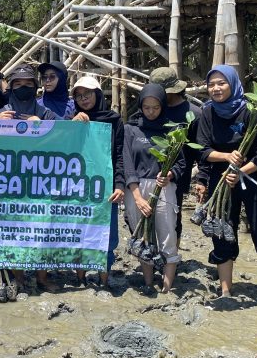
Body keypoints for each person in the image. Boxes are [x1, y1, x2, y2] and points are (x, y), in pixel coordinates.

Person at [196, 65, 257, 302]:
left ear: (233, 84)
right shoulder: (207, 113)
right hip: (221, 180)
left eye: (221, 83)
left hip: (254, 177)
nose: (216, 88)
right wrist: (226, 158)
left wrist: (240, 172)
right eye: (211, 84)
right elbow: (203, 150)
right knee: (221, 234)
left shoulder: (251, 111)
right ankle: (225, 292)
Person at [0, 64, 57, 292]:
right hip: (9, 182)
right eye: (18, 84)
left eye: (28, 84)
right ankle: (18, 277)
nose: (23, 87)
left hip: (41, 182)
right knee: (13, 230)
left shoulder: (45, 113)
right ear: (11, 87)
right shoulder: (2, 112)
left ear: (35, 87)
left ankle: (42, 277)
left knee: (42, 229)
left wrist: (42, 127)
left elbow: (67, 133)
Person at [123, 84, 184, 295]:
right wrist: (137, 196)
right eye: (146, 107)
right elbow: (126, 163)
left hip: (164, 187)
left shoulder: (172, 130)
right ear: (140, 106)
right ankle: (148, 283)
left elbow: (181, 163)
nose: (151, 112)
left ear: (163, 106)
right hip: (136, 188)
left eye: (156, 108)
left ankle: (167, 288)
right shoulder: (130, 129)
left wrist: (170, 175)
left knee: (168, 234)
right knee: (142, 236)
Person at [70, 76, 124, 289]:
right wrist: (71, 126)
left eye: (88, 94)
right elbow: (62, 148)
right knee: (80, 232)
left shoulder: (114, 120)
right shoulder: (72, 120)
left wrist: (119, 185)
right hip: (79, 187)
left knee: (107, 235)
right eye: (79, 96)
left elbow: (119, 154)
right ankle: (80, 279)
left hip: (106, 187)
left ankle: (104, 280)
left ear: (98, 94)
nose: (84, 99)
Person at [150, 67, 202, 244]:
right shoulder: (153, 109)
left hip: (178, 176)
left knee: (173, 219)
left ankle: (172, 255)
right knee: (148, 214)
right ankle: (150, 252)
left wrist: (202, 180)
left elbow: (200, 150)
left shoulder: (194, 114)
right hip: (149, 173)